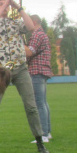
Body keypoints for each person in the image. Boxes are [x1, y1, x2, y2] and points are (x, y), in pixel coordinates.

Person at [0, 0, 50, 153]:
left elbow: (31, 27)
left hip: (20, 69)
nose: (4, 6)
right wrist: (4, 6)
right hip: (0, 72)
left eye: (5, 4)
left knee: (31, 106)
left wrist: (18, 8)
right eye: (0, 4)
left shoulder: (16, 23)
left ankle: (40, 143)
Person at [25, 14, 53, 142]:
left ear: (34, 21)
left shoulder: (37, 35)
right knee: (43, 102)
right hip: (43, 70)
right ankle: (47, 132)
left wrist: (19, 43)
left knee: (39, 103)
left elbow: (30, 51)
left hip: (37, 70)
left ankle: (43, 134)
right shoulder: (43, 34)